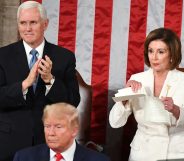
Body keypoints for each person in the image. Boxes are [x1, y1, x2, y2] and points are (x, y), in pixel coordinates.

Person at [0, 1, 80, 161]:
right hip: (9, 142)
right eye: (23, 23)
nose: (27, 28)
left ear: (45, 24)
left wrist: (50, 80)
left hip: (49, 141)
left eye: (33, 22)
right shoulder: (2, 56)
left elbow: (72, 101)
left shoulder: (64, 57)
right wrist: (24, 85)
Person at [109, 28, 184, 161]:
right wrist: (124, 98)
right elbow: (115, 122)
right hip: (142, 153)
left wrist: (176, 110)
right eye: (151, 51)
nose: (154, 57)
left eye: (161, 52)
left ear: (172, 54)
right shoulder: (137, 79)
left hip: (175, 153)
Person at [13, 102, 111, 161]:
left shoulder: (99, 160)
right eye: (47, 126)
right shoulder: (23, 158)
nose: (51, 133)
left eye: (58, 127)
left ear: (74, 130)